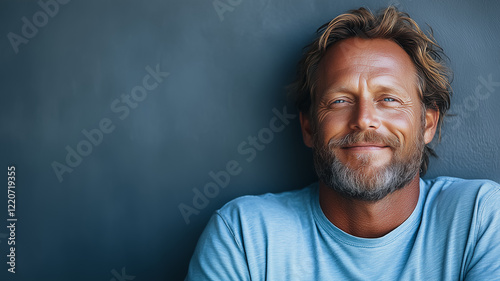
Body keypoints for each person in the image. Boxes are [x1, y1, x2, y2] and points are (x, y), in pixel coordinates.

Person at [185, 6, 500, 280]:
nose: (363, 119)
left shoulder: (481, 218)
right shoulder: (244, 236)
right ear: (308, 126)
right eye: (339, 101)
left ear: (427, 124)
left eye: (389, 99)